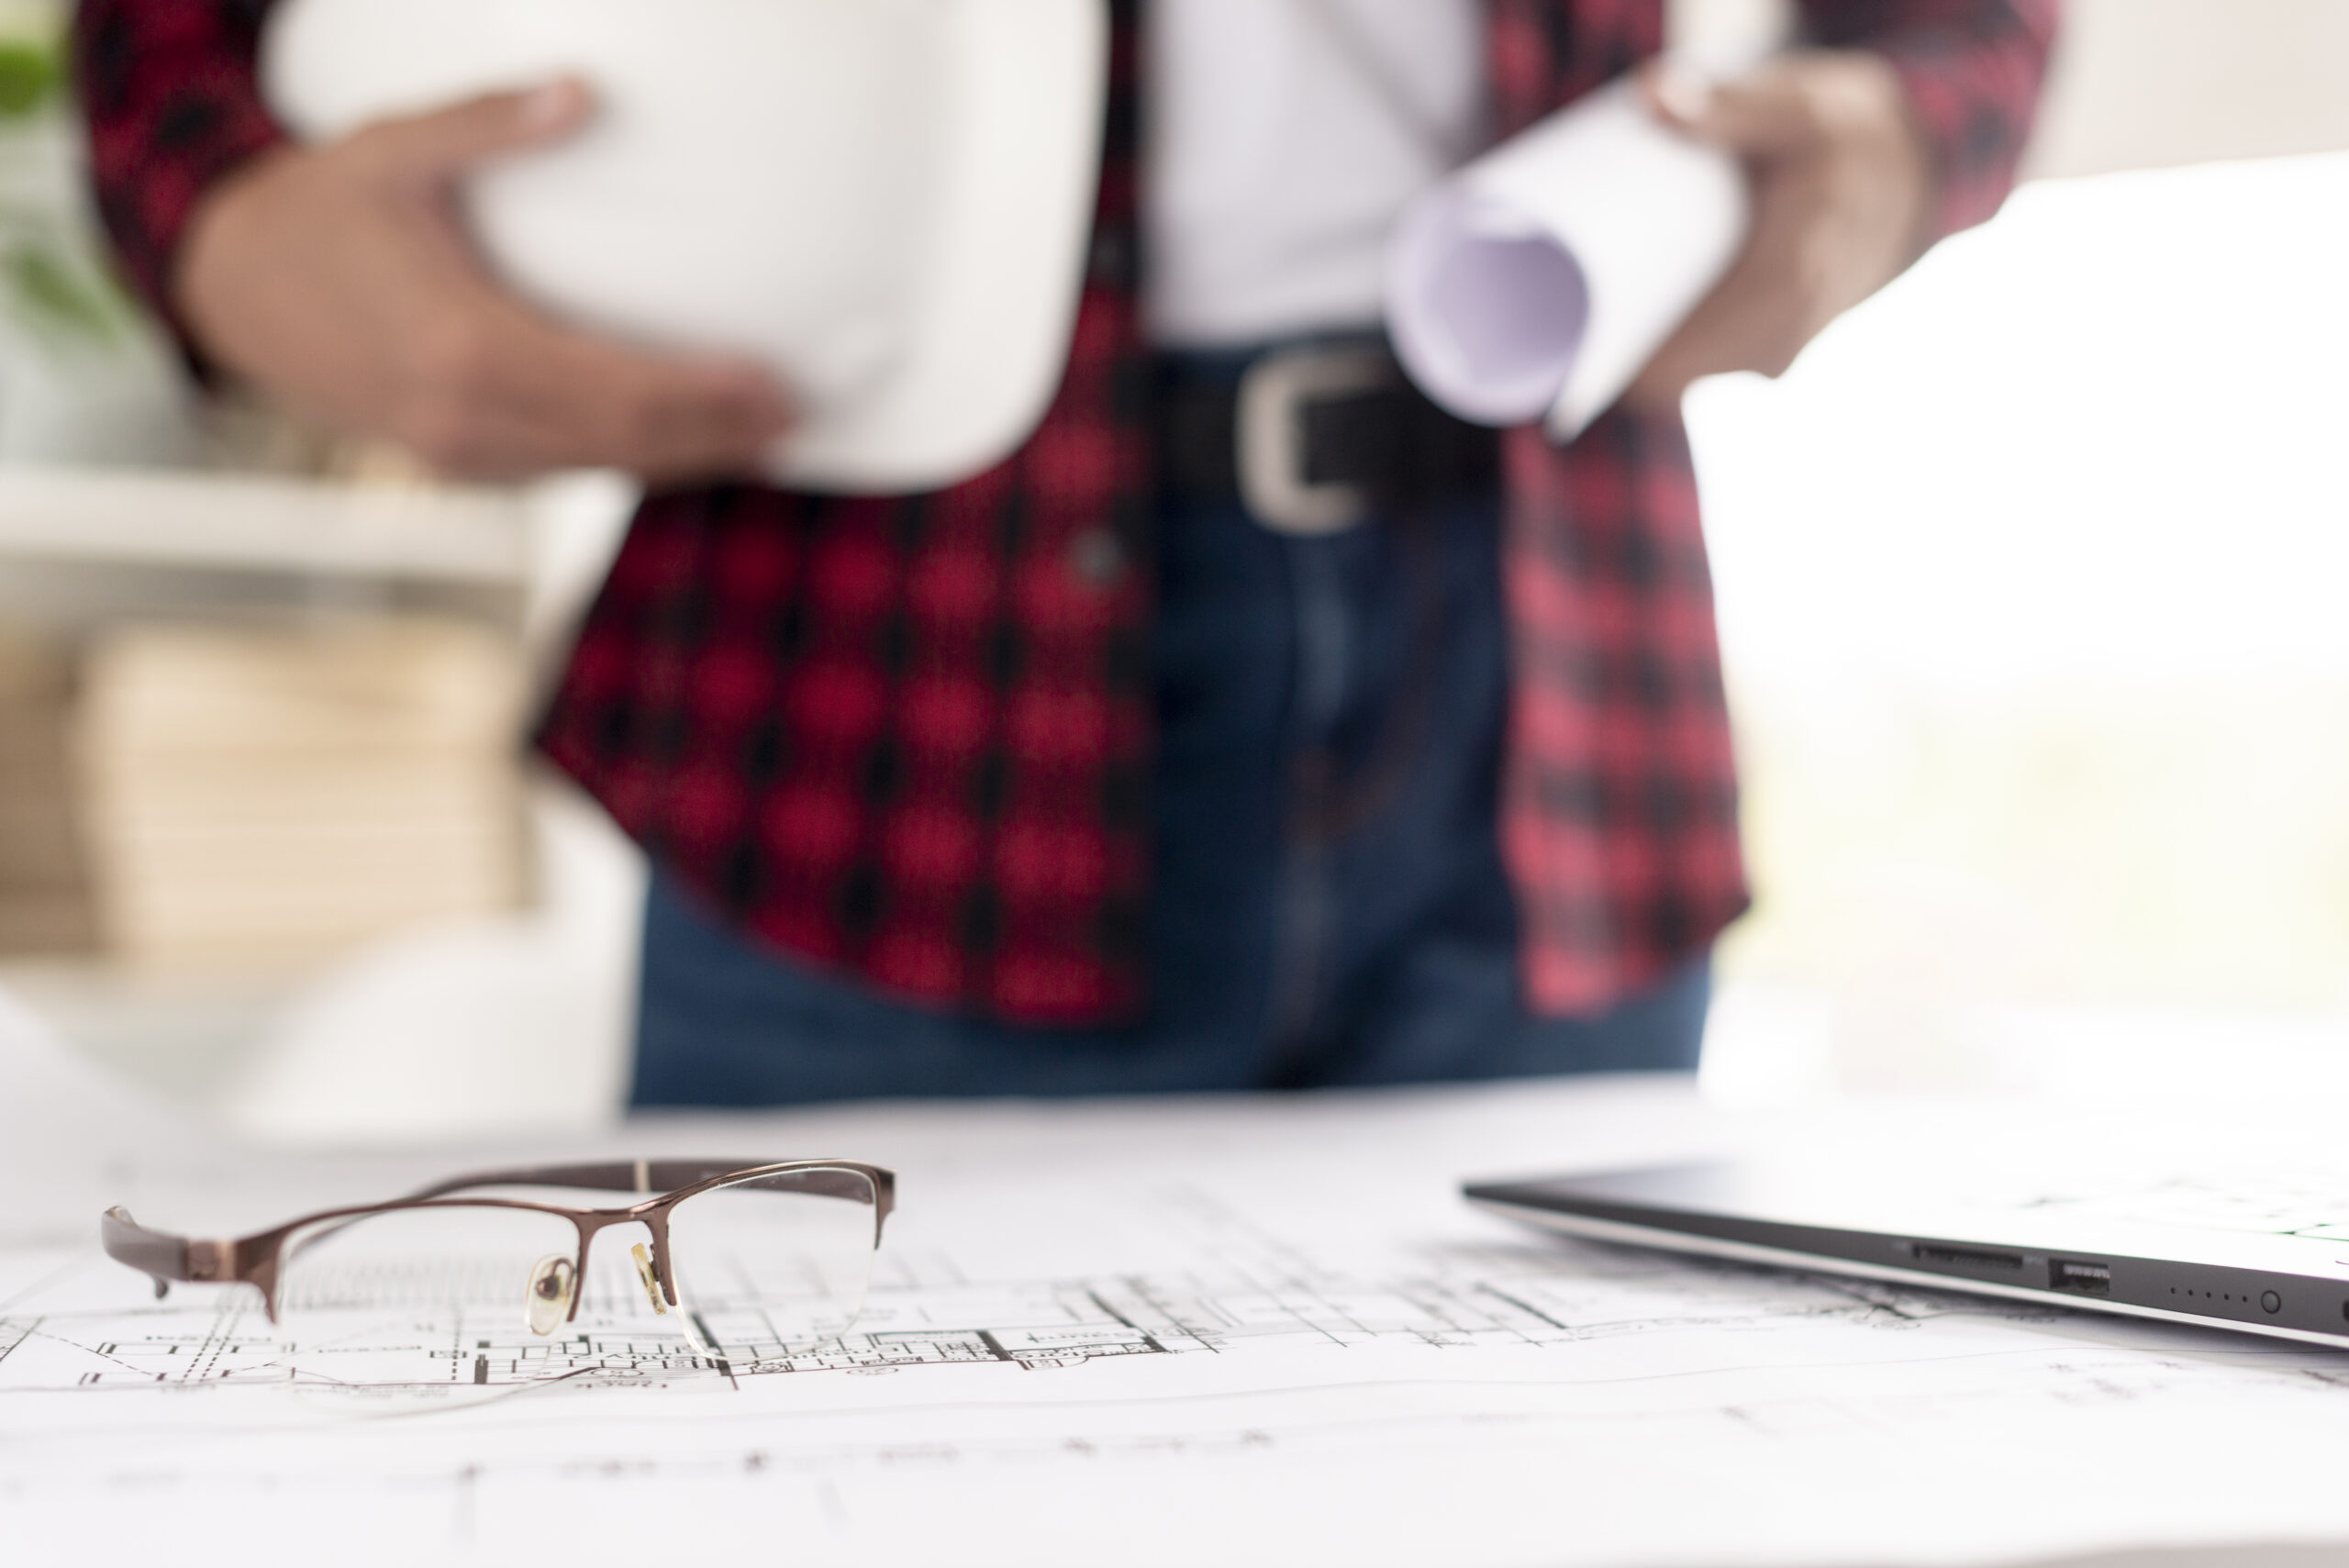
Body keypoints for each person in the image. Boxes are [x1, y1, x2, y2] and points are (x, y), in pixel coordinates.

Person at [73, 0, 2055, 1106]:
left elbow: (1959, 27)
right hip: (873, 670)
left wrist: (1902, 126)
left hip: (1549, 655)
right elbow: (163, 53)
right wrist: (228, 229)